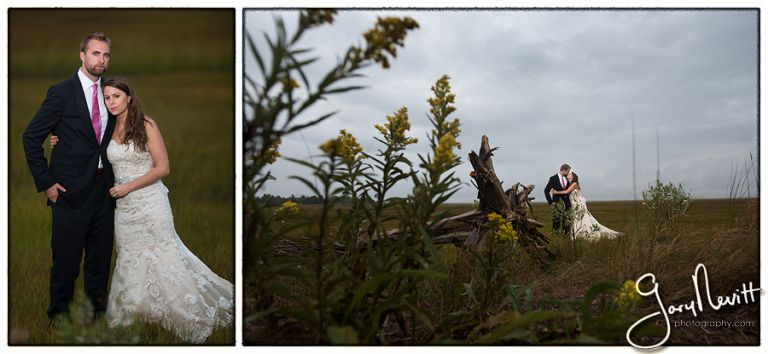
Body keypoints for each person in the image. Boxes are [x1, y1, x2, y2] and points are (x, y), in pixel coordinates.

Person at [50, 77, 233, 343]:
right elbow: (84, 146)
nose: (111, 102)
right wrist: (59, 139)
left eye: (116, 97)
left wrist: (128, 187)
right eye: (107, 98)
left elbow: (163, 168)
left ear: (129, 98)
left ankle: (181, 310)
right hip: (123, 209)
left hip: (149, 201)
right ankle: (135, 315)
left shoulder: (146, 125)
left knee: (163, 253)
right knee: (130, 257)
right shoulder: (106, 128)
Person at [22, 32, 116, 322]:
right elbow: (30, 136)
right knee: (66, 262)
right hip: (70, 192)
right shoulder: (62, 92)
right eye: (95, 53)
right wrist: (47, 182)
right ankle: (58, 318)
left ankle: (96, 317)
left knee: (99, 261)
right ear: (82, 56)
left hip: (105, 189)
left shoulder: (111, 92)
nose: (101, 60)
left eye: (106, 55)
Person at [551, 172, 621, 240]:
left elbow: (566, 192)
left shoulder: (574, 184)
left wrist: (556, 192)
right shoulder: (569, 184)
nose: (568, 174)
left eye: (570, 174)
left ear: (573, 177)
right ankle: (577, 233)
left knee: (581, 219)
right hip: (573, 204)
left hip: (578, 203)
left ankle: (583, 233)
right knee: (575, 220)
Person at [543, 164, 572, 235]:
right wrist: (551, 202)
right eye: (568, 171)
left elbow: (568, 191)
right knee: (556, 221)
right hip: (557, 203)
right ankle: (555, 236)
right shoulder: (553, 179)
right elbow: (546, 191)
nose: (568, 173)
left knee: (567, 222)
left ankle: (566, 236)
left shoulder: (567, 179)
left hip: (567, 203)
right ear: (563, 170)